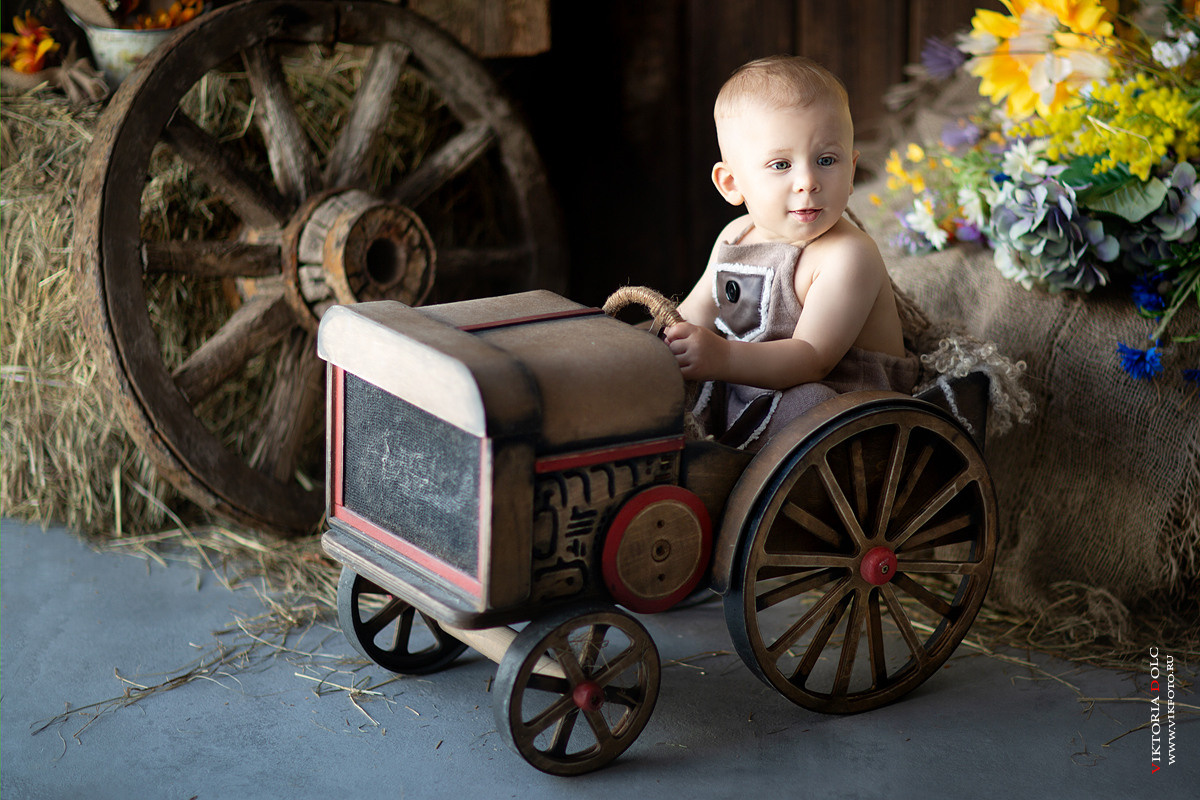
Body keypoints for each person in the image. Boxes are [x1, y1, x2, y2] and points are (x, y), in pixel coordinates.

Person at [665, 55, 918, 450]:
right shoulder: (736, 236)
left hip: (845, 405)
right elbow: (696, 311)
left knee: (809, 404)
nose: (807, 182)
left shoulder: (848, 256)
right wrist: (656, 340)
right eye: (781, 164)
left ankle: (742, 470)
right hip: (753, 389)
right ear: (731, 183)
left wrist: (722, 357)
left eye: (826, 160)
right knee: (684, 386)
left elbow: (811, 360)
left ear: (851, 172)